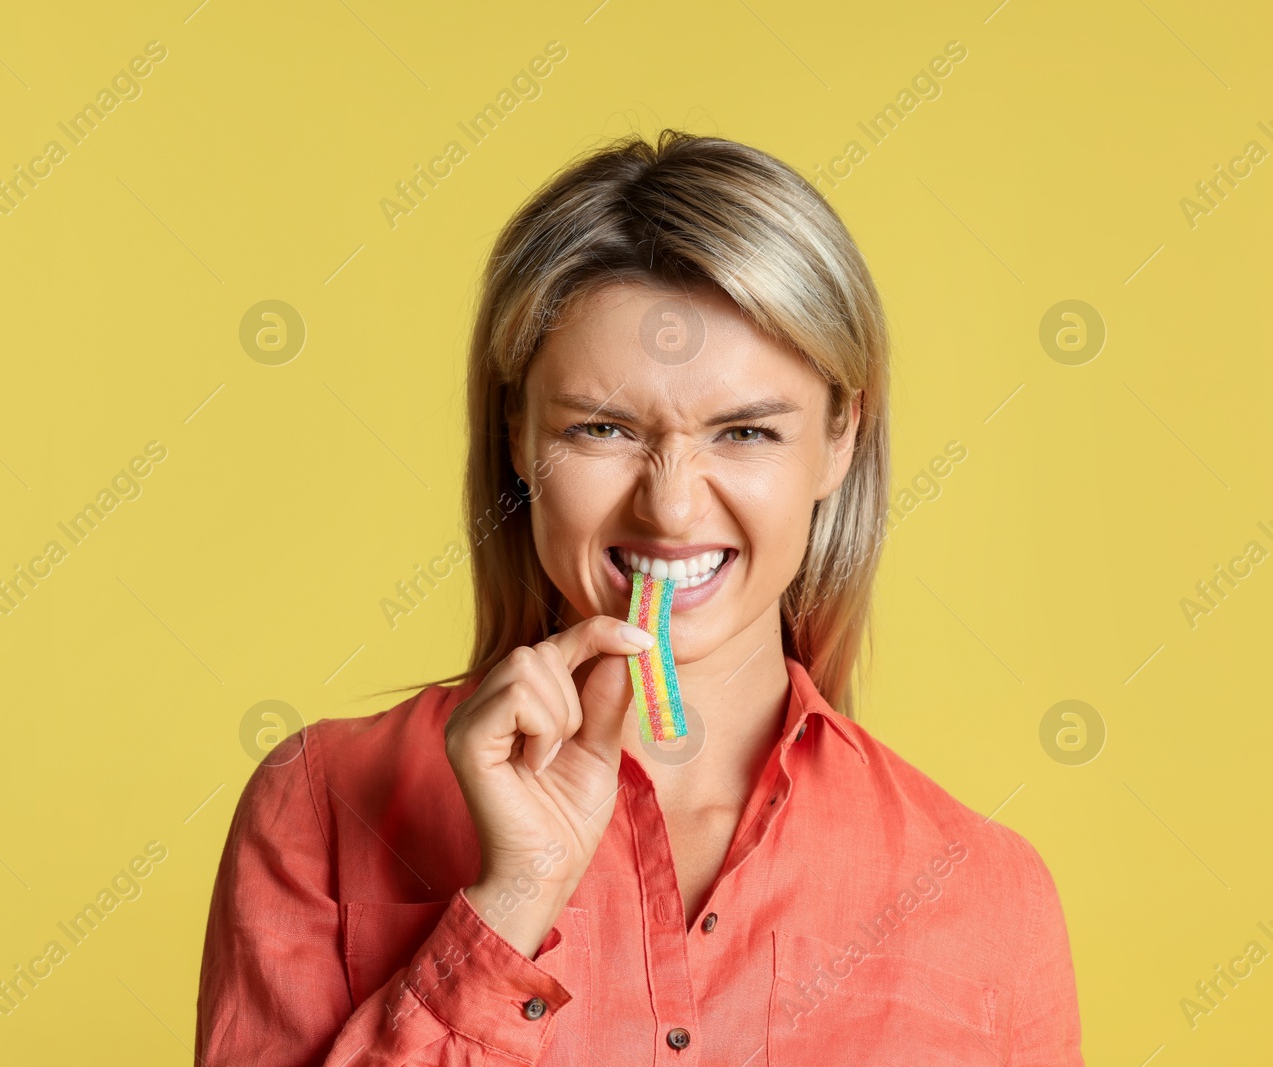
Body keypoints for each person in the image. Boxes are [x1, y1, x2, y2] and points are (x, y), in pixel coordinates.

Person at [195, 129, 1082, 1064]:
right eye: (604, 427)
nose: (670, 505)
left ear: (840, 439)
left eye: (744, 432)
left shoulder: (989, 895)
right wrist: (509, 905)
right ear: (516, 436)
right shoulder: (320, 805)